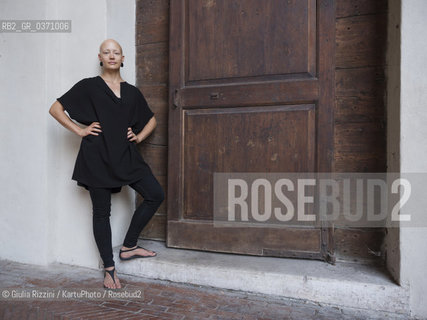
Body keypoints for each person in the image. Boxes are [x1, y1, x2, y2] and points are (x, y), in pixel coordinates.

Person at [48, 39, 165, 290]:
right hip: (97, 157)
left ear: (123, 59)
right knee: (102, 213)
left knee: (155, 194)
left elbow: (151, 120)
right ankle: (109, 269)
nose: (112, 56)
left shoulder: (132, 92)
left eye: (117, 52)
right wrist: (80, 130)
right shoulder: (89, 87)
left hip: (126, 155)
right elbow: (55, 109)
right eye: (107, 52)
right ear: (100, 57)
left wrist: (139, 136)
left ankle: (129, 246)